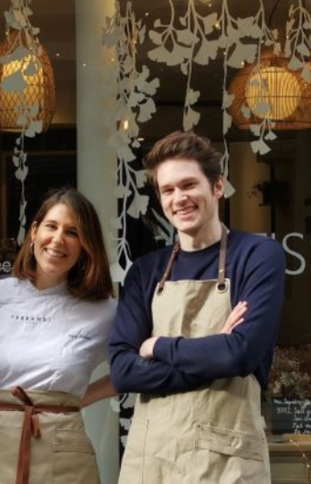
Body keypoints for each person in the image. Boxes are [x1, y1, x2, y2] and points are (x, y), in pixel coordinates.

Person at [110, 131, 286, 483]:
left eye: (189, 185)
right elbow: (122, 371)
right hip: (152, 460)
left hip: (227, 461)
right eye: (168, 190)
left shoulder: (256, 256)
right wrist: (213, 352)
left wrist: (157, 346)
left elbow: (240, 355)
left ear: (217, 187)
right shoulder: (146, 272)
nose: (179, 198)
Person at [0, 188, 117, 484]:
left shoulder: (104, 312)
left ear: (86, 245)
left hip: (64, 456)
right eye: (51, 226)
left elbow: (137, 368)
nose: (58, 240)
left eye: (73, 232)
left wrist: (77, 399)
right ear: (34, 231)